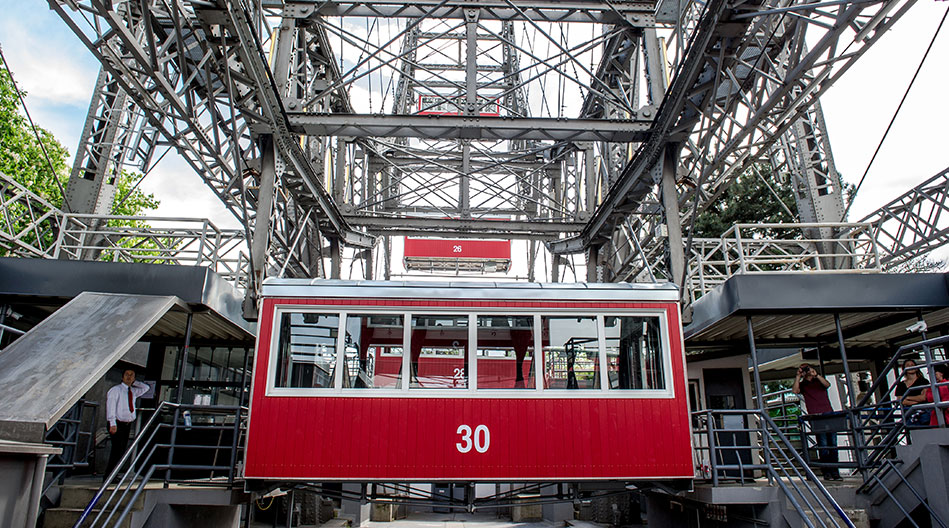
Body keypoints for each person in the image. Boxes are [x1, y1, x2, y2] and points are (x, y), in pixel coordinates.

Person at [792, 363, 841, 480]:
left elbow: (827, 385)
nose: (807, 371)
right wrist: (798, 376)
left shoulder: (819, 381)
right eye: (805, 369)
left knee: (833, 444)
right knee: (823, 444)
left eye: (807, 368)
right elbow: (795, 391)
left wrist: (816, 375)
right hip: (816, 416)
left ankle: (835, 471)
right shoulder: (803, 385)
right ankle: (826, 471)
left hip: (828, 414)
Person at [105, 368, 150, 476]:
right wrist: (112, 422)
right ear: (122, 376)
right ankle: (108, 475)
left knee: (121, 451)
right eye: (127, 374)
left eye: (131, 375)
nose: (129, 377)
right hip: (117, 423)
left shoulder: (133, 391)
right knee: (116, 450)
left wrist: (135, 382)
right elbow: (110, 406)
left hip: (127, 424)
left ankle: (114, 474)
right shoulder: (116, 390)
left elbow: (146, 388)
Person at [894, 358, 930, 426]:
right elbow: (901, 401)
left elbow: (923, 398)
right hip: (909, 413)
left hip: (923, 412)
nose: (910, 367)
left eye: (912, 365)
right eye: (908, 365)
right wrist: (917, 400)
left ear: (916, 368)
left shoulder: (924, 381)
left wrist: (907, 397)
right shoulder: (901, 385)